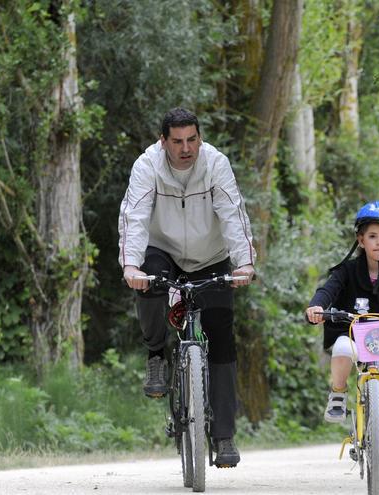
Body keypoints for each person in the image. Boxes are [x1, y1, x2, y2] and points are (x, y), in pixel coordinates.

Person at [118, 108, 256, 467]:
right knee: (148, 281)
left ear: (200, 137)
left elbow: (232, 212)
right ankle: (156, 355)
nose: (186, 148)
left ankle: (224, 436)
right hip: (161, 249)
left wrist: (244, 262)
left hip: (210, 255)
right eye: (177, 141)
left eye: (192, 139)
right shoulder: (147, 165)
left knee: (221, 336)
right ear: (163, 141)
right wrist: (130, 265)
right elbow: (134, 216)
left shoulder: (215, 164)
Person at [305, 200, 379, 475]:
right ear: (361, 240)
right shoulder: (347, 270)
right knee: (342, 347)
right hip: (351, 332)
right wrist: (317, 306)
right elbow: (327, 291)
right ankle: (338, 393)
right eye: (372, 236)